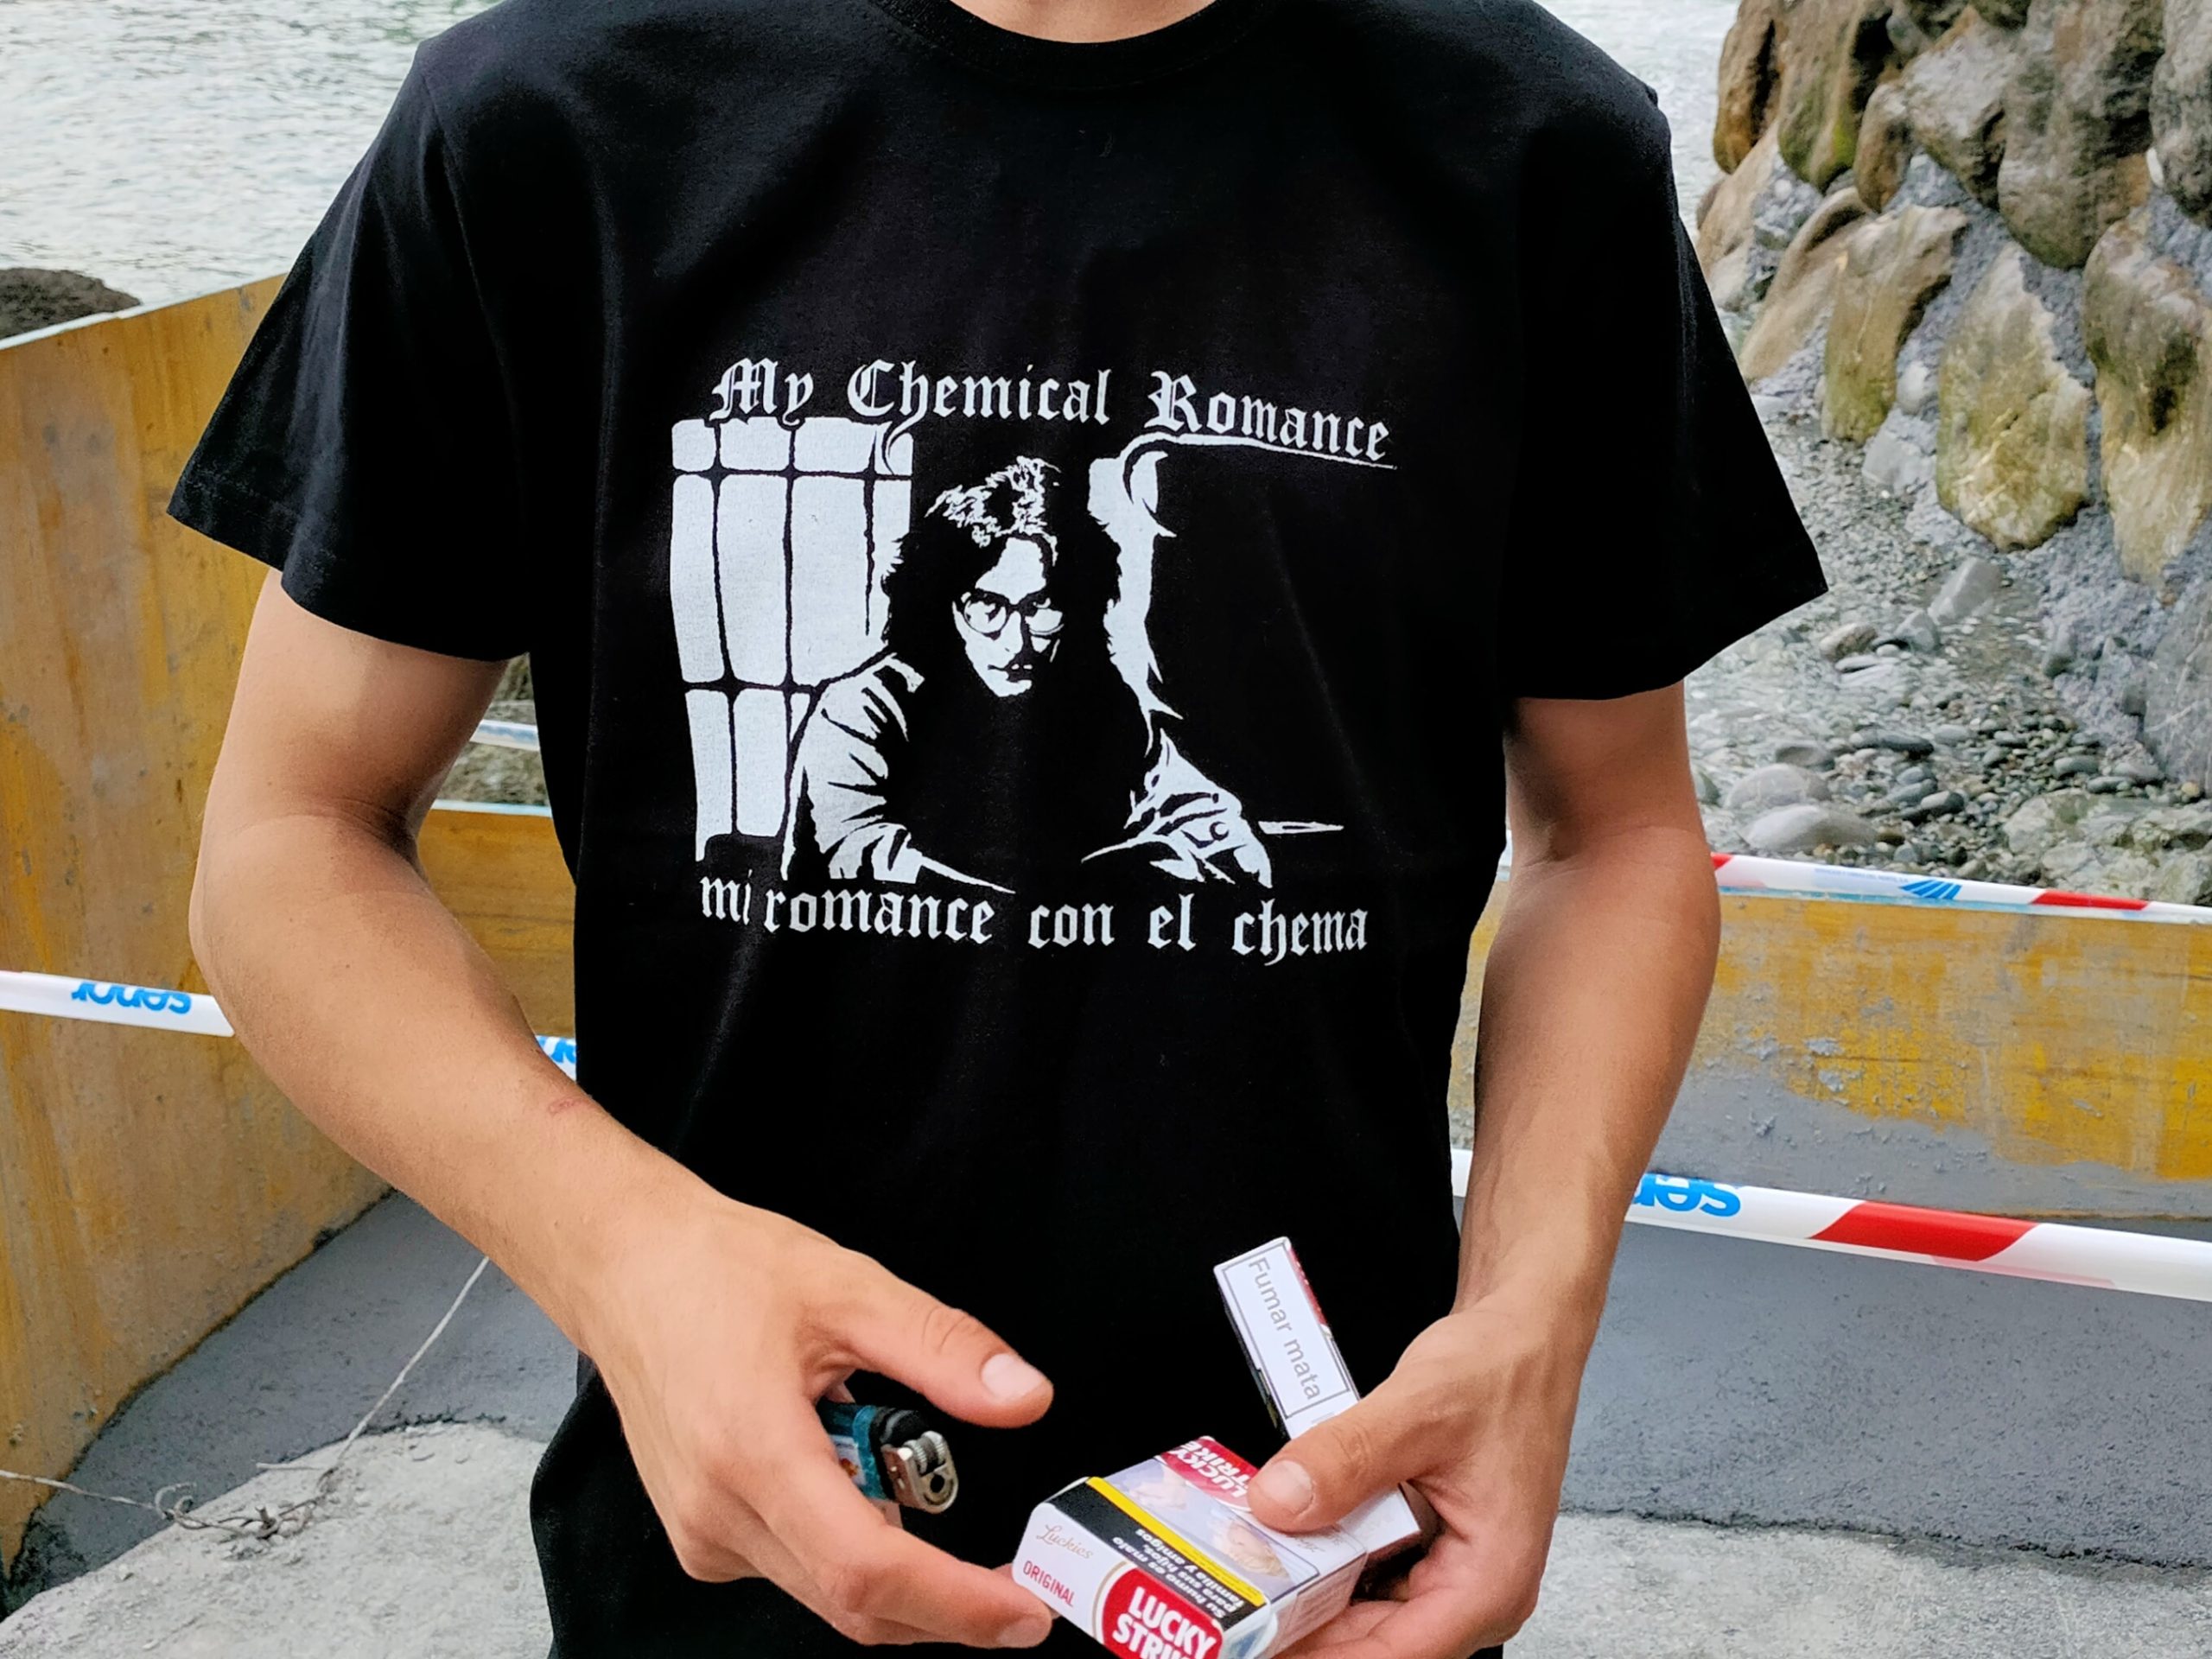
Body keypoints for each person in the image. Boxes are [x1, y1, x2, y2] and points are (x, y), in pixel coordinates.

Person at [172, 0, 1825, 1654]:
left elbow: (1611, 838)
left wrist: (1535, 1324)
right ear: (940, 603)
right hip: (750, 1551)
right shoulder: (536, 122)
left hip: (1319, 1539)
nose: (1028, 633)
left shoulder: (1536, 148)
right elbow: (291, 843)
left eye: (1053, 605)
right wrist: (622, 1255)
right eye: (997, 604)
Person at [785, 452, 1270, 890]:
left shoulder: (1104, 704)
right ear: (942, 604)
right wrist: (1035, 904)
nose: (1016, 641)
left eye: (1039, 607)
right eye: (987, 606)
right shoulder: (862, 711)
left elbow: (1216, 827)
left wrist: (1154, 864)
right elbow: (856, 858)